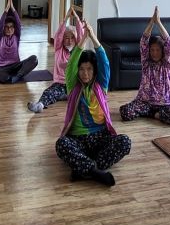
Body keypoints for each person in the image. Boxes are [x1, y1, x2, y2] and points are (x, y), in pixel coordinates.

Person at [55, 21, 131, 186]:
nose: (85, 73)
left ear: (95, 71)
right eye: (82, 69)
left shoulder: (101, 86)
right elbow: (72, 64)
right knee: (61, 144)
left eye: (89, 69)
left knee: (125, 141)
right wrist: (83, 39)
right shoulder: (73, 86)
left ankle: (84, 168)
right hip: (78, 138)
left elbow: (104, 62)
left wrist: (93, 37)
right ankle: (95, 172)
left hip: (100, 137)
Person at [119, 6, 170, 126]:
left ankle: (153, 114)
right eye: (152, 50)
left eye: (158, 50)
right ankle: (152, 113)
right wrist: (151, 22)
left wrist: (158, 22)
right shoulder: (146, 63)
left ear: (162, 51)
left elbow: (168, 42)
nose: (154, 53)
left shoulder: (166, 64)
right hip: (145, 103)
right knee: (125, 112)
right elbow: (143, 41)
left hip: (165, 104)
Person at [27, 5, 84, 113]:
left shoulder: (77, 50)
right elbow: (59, 34)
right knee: (49, 92)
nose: (69, 40)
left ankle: (70, 97)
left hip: (74, 85)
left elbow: (81, 34)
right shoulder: (59, 49)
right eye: (66, 38)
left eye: (72, 38)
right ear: (63, 39)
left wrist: (76, 18)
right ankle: (39, 105)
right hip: (60, 84)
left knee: (85, 93)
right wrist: (66, 18)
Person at [0, 0, 38, 84]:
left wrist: (13, 8)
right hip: (3, 68)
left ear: (14, 28)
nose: (9, 29)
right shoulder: (0, 37)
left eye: (11, 27)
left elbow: (18, 23)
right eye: (7, 27)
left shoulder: (16, 36)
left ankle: (17, 76)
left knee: (34, 59)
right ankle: (10, 79)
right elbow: (1, 24)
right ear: (3, 28)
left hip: (16, 66)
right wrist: (7, 9)